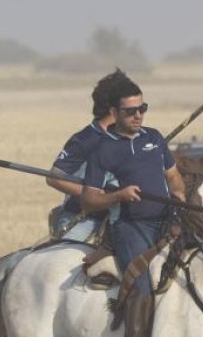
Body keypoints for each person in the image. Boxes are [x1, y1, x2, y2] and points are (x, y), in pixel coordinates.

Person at [79, 80, 186, 337]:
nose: (138, 115)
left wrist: (179, 194)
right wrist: (118, 195)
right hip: (129, 227)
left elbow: (174, 178)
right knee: (141, 281)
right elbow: (88, 199)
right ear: (114, 113)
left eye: (142, 108)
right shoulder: (103, 150)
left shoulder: (154, 138)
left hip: (166, 222)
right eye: (130, 111)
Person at [45, 69, 135, 242]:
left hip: (124, 218)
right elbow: (54, 178)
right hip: (84, 219)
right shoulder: (85, 139)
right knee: (71, 254)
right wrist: (94, 195)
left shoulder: (134, 138)